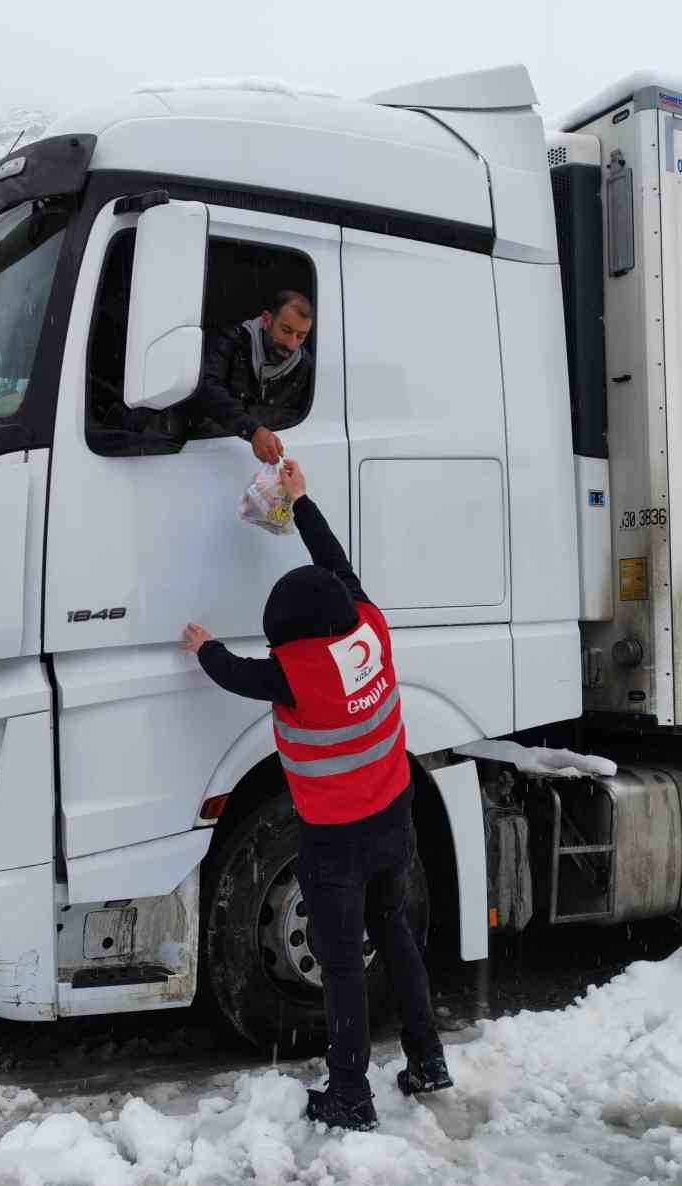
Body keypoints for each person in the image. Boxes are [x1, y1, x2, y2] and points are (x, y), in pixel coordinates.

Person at [180, 459, 453, 1132]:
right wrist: (301, 504)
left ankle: (350, 1095)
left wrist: (201, 647)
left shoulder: (295, 673)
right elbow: (337, 563)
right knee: (394, 938)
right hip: (395, 819)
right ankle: (427, 1060)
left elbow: (234, 674)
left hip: (336, 842)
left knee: (341, 969)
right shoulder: (370, 627)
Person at [191, 290, 315, 465]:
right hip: (209, 456)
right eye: (286, 331)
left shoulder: (305, 366)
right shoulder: (230, 342)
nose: (291, 344)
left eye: (301, 336)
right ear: (266, 320)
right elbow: (206, 389)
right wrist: (253, 430)